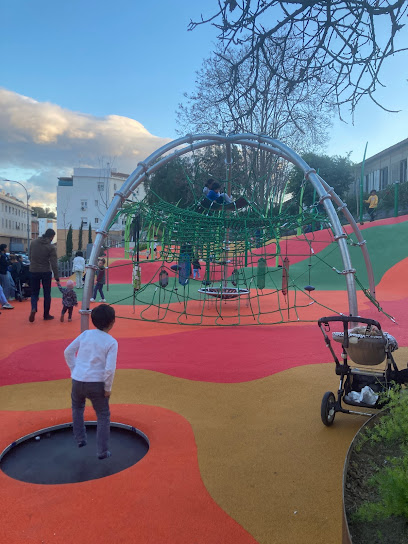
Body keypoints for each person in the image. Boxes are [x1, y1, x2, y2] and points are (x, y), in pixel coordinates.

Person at [63, 304, 118, 459]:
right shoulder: (111, 342)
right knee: (103, 415)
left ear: (93, 320)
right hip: (96, 383)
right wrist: (107, 387)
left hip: (77, 380)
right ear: (112, 322)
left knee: (77, 408)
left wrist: (74, 370)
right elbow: (109, 369)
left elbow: (68, 352)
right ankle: (102, 451)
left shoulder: (86, 334)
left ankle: (80, 439)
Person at [28, 228, 60, 322]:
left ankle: (34, 308)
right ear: (51, 236)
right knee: (47, 294)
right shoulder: (51, 247)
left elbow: (30, 256)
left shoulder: (33, 243)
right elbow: (54, 263)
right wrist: (57, 276)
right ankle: (46, 315)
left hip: (33, 270)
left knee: (34, 292)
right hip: (46, 271)